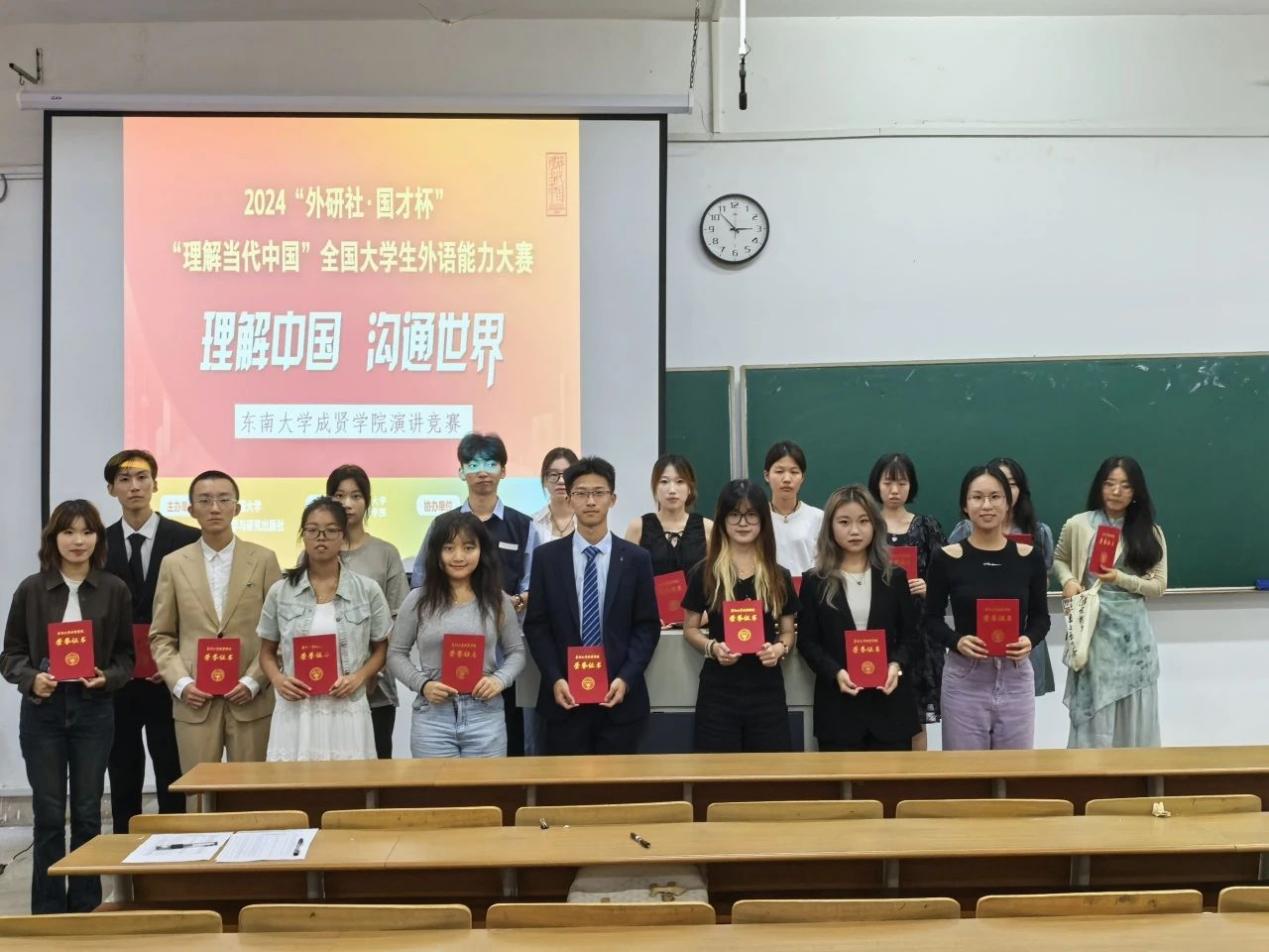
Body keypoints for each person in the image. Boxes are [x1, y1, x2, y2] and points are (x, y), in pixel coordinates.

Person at [2, 500, 133, 913]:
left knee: (88, 814)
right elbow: (10, 655)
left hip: (94, 711)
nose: (79, 541)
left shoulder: (114, 589)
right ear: (53, 538)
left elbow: (126, 658)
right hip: (43, 712)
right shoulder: (31, 589)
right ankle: (47, 912)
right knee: (48, 815)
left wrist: (107, 677)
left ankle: (85, 908)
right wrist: (31, 678)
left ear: (98, 538)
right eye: (69, 532)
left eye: (87, 532)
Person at [523, 457, 660, 755]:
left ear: (612, 499)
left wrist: (626, 678)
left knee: (618, 783)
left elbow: (647, 627)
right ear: (569, 499)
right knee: (566, 784)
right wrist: (555, 678)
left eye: (599, 493)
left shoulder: (636, 559)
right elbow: (537, 626)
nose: (590, 501)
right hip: (564, 701)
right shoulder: (547, 558)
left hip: (620, 701)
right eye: (581, 493)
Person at [411, 432, 536, 756]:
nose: (482, 471)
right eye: (474, 464)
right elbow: (421, 579)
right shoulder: (442, 525)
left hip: (501, 660)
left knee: (507, 750)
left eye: (491, 463)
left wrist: (517, 601)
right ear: (461, 471)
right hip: (443, 665)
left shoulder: (523, 525)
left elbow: (533, 579)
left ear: (503, 471)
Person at [149, 471, 282, 774]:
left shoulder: (264, 560)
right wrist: (181, 684)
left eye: (224, 499)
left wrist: (253, 681)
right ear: (191, 510)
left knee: (252, 790)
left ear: (237, 507)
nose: (215, 508)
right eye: (205, 500)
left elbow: (278, 633)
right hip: (195, 699)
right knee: (198, 791)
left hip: (250, 698)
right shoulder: (173, 563)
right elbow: (162, 636)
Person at [101, 449, 200, 832]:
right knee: (122, 771)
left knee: (173, 771)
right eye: (124, 479)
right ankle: (125, 849)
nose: (134, 486)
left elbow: (199, 609)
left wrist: (180, 663)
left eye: (142, 477)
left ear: (155, 484)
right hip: (117, 680)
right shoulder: (98, 543)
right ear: (111, 489)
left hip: (170, 680)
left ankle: (175, 850)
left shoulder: (187, 538)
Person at [925, 464, 1050, 751]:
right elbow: (931, 619)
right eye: (977, 497)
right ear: (965, 505)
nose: (986, 505)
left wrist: (1029, 639)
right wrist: (957, 641)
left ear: (1008, 503)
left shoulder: (1030, 557)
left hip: (1015, 677)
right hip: (964, 679)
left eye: (995, 497)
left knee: (1015, 771)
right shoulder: (946, 558)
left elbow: (1041, 618)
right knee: (965, 772)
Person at [258, 497, 391, 761]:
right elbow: (266, 652)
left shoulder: (367, 590)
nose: (321, 538)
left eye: (330, 530)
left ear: (343, 537)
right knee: (294, 782)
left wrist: (359, 677)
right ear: (303, 535)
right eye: (313, 530)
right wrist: (278, 680)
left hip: (347, 708)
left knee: (349, 782)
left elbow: (382, 649)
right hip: (297, 709)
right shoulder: (280, 591)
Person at [389, 510, 526, 757]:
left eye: (469, 547)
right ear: (436, 553)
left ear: (481, 551)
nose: (459, 557)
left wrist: (499, 680)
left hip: (485, 715)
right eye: (449, 548)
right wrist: (423, 685)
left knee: (487, 784)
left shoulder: (497, 600)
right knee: (436, 785)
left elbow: (516, 652)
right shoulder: (418, 600)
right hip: (433, 717)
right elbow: (396, 654)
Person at [797, 486, 921, 751]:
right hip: (838, 709)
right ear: (830, 528)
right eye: (844, 522)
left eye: (863, 521)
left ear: (875, 525)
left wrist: (896, 665)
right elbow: (807, 642)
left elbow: (911, 637)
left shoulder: (895, 578)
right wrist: (835, 672)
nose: (855, 530)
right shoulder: (814, 581)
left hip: (890, 707)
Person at [1055, 456, 1167, 749]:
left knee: (1135, 722)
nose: (1116, 491)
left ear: (1136, 492)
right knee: (1095, 715)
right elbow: (1060, 559)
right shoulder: (1079, 524)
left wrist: (1120, 578)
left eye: (1125, 486)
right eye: (1109, 484)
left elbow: (1158, 586)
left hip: (1133, 640)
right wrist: (1068, 581)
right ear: (1100, 486)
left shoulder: (1150, 532)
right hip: (1093, 632)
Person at [682, 479, 799, 752]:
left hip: (766, 690)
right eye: (734, 514)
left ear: (762, 520)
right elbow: (690, 629)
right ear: (723, 520)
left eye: (751, 515)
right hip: (718, 691)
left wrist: (779, 649)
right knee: (717, 772)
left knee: (771, 773)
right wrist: (713, 648)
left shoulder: (778, 575)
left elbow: (788, 631)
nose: (743, 523)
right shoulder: (705, 573)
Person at [946, 456, 1057, 698]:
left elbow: (1044, 584)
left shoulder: (1038, 532)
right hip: (975, 637)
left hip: (1021, 635)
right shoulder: (964, 531)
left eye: (1012, 484)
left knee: (1018, 705)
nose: (1006, 490)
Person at [328, 464, 409, 759]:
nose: (347, 504)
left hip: (375, 687)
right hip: (324, 687)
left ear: (367, 501)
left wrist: (375, 670)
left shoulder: (385, 553)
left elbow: (398, 619)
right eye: (339, 496)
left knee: (376, 767)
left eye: (356, 496)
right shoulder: (314, 553)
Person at [868, 453, 945, 747]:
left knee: (916, 719)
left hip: (919, 634)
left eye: (902, 483)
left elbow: (948, 580)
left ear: (911, 486)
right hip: (875, 631)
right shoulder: (865, 526)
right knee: (877, 710)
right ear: (877, 484)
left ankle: (917, 775)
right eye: (888, 482)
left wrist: (929, 587)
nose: (894, 490)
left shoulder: (926, 527)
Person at [624, 453, 713, 583]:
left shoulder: (707, 527)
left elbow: (715, 576)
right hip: (650, 597)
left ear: (690, 488)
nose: (672, 490)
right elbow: (627, 578)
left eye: (680, 482)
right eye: (664, 482)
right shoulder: (638, 527)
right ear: (655, 488)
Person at [764, 441, 823, 578]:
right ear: (767, 475)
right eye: (779, 471)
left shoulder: (819, 518)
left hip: (808, 589)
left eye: (794, 472)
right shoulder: (757, 518)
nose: (787, 479)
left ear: (802, 477)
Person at [532, 447, 579, 542]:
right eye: (553, 474)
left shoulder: (587, 521)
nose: (561, 481)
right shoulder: (533, 523)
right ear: (545, 480)